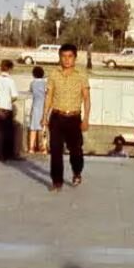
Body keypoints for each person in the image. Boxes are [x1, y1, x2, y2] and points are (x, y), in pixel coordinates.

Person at [45, 43, 91, 191]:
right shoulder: (53, 74)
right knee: (55, 150)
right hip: (57, 117)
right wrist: (44, 116)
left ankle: (77, 172)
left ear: (75, 58)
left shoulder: (81, 75)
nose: (66, 60)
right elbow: (49, 96)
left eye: (70, 56)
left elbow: (86, 98)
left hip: (74, 118)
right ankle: (56, 181)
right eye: (63, 56)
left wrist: (86, 119)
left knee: (76, 150)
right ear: (59, 57)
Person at [27, 66, 47, 154]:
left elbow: (31, 91)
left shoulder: (33, 83)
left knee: (33, 128)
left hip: (35, 107)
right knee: (44, 127)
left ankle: (31, 148)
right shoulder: (45, 83)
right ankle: (44, 148)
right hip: (44, 107)